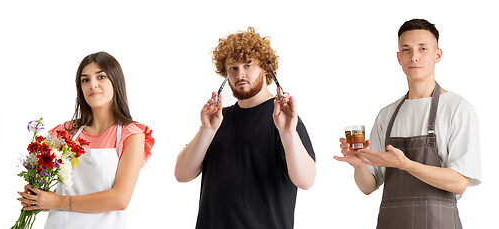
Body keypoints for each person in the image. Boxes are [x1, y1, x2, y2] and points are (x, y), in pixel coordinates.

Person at [334, 19, 481, 228]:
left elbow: (459, 182)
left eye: (423, 48)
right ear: (398, 57)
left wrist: (406, 165)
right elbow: (368, 186)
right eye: (406, 49)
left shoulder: (457, 109)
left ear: (437, 55)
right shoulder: (387, 115)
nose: (414, 57)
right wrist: (358, 166)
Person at [173, 27, 316, 228]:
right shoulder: (217, 120)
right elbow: (182, 174)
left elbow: (306, 180)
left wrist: (288, 133)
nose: (240, 74)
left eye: (248, 65)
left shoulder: (284, 120)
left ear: (266, 69)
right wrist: (206, 130)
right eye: (233, 68)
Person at [16, 51, 155, 228]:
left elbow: (120, 198)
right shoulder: (65, 132)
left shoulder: (131, 135)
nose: (92, 85)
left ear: (116, 81)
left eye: (101, 77)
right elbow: (59, 192)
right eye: (85, 80)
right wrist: (37, 197)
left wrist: (57, 201)